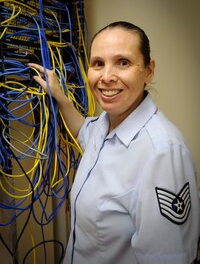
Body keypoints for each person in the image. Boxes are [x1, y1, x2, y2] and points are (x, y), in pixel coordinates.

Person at [29, 21, 200, 264]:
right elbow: (82, 129)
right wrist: (59, 95)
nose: (106, 77)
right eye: (98, 63)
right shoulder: (105, 123)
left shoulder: (162, 153)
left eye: (123, 62)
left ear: (149, 70)